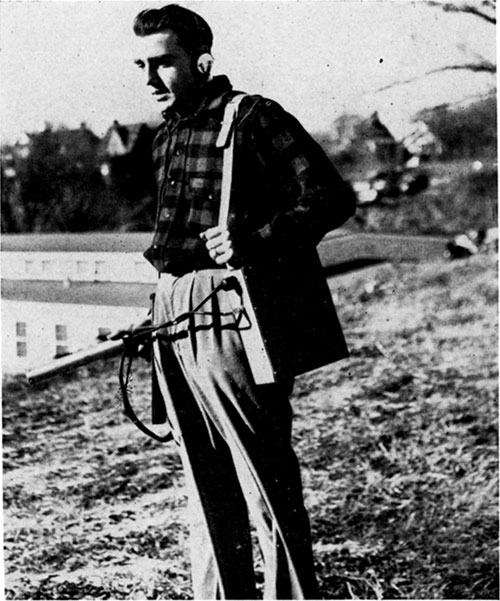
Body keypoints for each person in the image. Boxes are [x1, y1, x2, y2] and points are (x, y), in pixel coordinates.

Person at [132, 4, 356, 599]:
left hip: (232, 308)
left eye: (164, 64)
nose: (151, 79)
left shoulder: (251, 117)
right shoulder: (165, 136)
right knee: (203, 482)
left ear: (202, 61)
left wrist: (254, 239)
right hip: (172, 309)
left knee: (265, 477)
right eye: (143, 66)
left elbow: (331, 198)